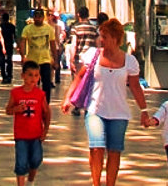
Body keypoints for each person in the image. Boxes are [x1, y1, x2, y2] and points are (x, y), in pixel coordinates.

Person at [62, 18, 150, 186]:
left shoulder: (129, 61)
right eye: (100, 36)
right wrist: (68, 98)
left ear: (116, 38)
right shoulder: (93, 55)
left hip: (119, 113)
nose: (101, 40)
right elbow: (80, 77)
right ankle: (96, 183)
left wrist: (144, 111)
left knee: (114, 152)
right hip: (95, 110)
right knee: (96, 149)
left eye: (105, 36)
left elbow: (135, 87)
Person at [5, 60, 50, 186]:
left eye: (36, 75)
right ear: (23, 76)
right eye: (30, 75)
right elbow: (8, 110)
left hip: (36, 135)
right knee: (21, 162)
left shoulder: (40, 94)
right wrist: (16, 109)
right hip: (21, 136)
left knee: (36, 159)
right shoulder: (16, 93)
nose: (33, 78)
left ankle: (30, 181)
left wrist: (45, 130)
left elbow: (47, 113)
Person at [19, 8, 58, 104]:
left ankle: (45, 102)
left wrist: (56, 60)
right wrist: (23, 56)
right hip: (32, 61)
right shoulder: (27, 29)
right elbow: (22, 42)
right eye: (35, 17)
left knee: (46, 84)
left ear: (43, 18)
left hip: (45, 60)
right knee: (32, 83)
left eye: (39, 17)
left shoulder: (48, 29)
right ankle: (32, 101)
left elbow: (53, 44)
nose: (37, 19)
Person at [0, 12, 16, 84]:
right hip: (9, 45)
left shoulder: (0, 26)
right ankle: (9, 75)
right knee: (9, 61)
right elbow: (15, 36)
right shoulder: (12, 26)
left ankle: (4, 76)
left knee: (2, 61)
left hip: (1, 45)